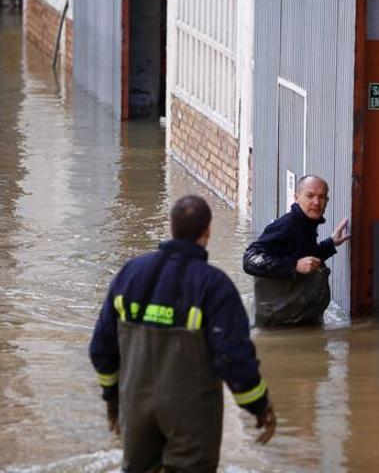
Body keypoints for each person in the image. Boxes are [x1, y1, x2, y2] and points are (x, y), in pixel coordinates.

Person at [89, 195, 277, 473]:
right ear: (207, 232)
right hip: (191, 416)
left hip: (136, 410)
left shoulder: (130, 274)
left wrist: (112, 400)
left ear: (171, 226)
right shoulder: (215, 286)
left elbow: (101, 348)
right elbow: (233, 357)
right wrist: (259, 405)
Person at [243, 175, 351, 326]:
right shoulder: (287, 225)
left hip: (297, 318)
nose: (316, 202)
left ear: (327, 201)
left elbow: (305, 259)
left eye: (322, 197)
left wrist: (331, 244)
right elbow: (249, 259)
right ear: (296, 197)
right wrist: (294, 265)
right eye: (310, 195)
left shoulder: (307, 224)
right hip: (279, 325)